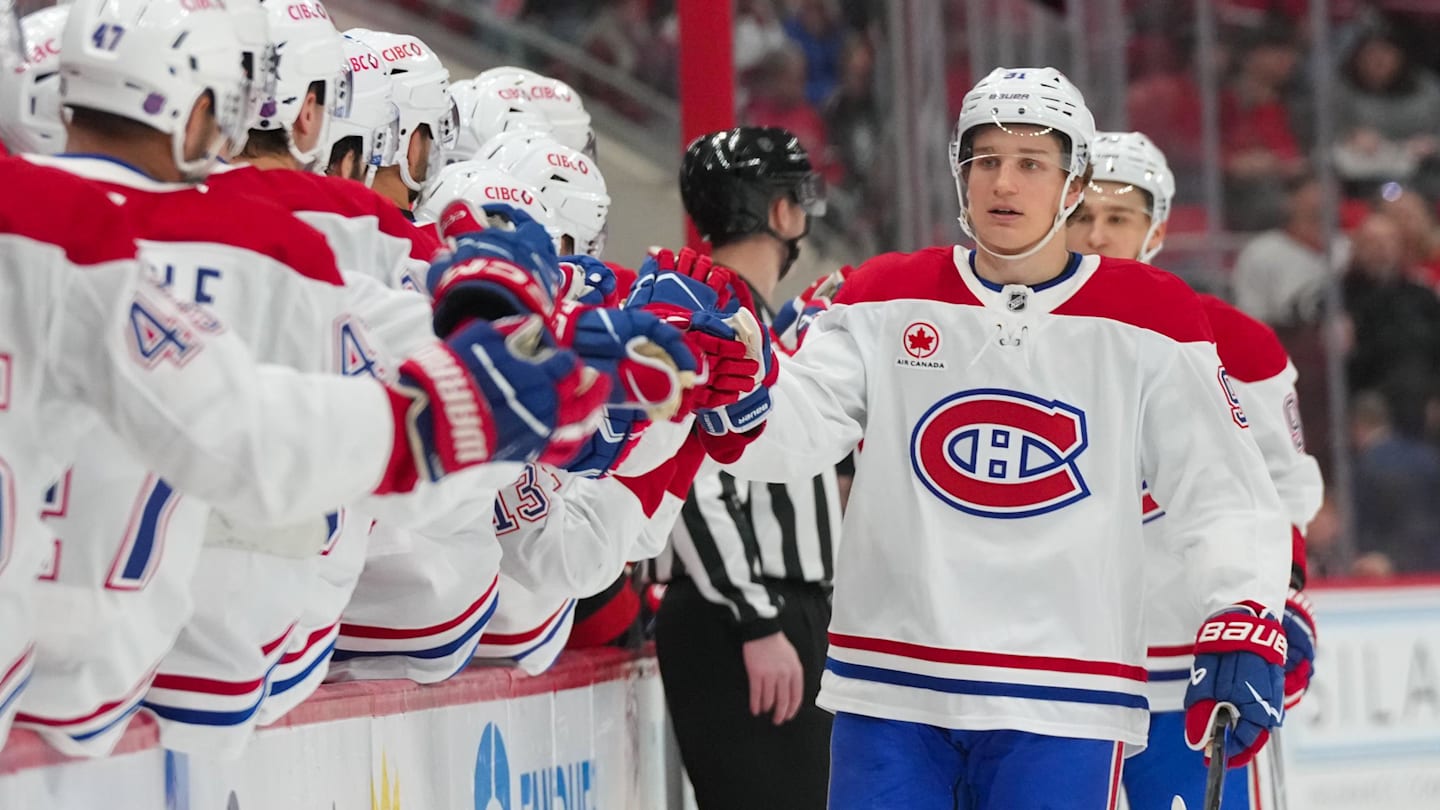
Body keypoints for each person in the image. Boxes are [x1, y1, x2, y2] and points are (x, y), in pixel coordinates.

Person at [717, 68, 1290, 809]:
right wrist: (735, 387)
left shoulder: (1152, 316)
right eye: (985, 161)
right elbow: (790, 436)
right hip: (892, 688)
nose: (1003, 184)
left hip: (1064, 695)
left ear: (1073, 183)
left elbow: (1222, 490)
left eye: (1031, 164)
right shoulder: (883, 295)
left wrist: (1242, 609)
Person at [1067, 130, 1324, 810]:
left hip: (1191, 667)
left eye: (1117, 218)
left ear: (1154, 230)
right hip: (1064, 668)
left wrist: (1285, 598)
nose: (1097, 235)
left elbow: (1283, 488)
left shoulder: (1235, 341)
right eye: (1082, 216)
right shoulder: (1017, 341)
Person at [651, 126, 840, 810]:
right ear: (782, 212)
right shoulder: (713, 312)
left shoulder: (749, 316)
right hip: (743, 614)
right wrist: (756, 620)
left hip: (774, 607)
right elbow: (689, 480)